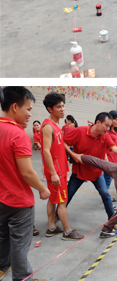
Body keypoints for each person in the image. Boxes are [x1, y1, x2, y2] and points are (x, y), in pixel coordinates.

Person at [0, 87, 51, 281]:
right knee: (19, 245)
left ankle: (2, 267)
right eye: (28, 109)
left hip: (1, 198)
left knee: (2, 237)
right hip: (18, 201)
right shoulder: (18, 134)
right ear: (15, 107)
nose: (30, 114)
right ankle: (22, 278)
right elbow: (27, 172)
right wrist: (43, 188)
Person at [63, 112, 117, 235]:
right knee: (68, 195)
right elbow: (63, 141)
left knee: (105, 194)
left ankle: (112, 221)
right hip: (79, 171)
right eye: (106, 125)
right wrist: (73, 154)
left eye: (109, 126)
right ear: (98, 122)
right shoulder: (80, 131)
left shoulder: (105, 136)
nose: (108, 129)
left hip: (97, 172)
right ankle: (58, 215)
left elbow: (113, 148)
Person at [39, 91, 83, 241]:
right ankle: (67, 231)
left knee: (53, 199)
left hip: (60, 170)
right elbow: (45, 150)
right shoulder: (47, 126)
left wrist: (72, 154)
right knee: (62, 202)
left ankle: (51, 228)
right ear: (50, 109)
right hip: (56, 172)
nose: (62, 109)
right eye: (58, 107)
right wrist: (53, 173)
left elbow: (59, 145)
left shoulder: (57, 125)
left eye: (63, 106)